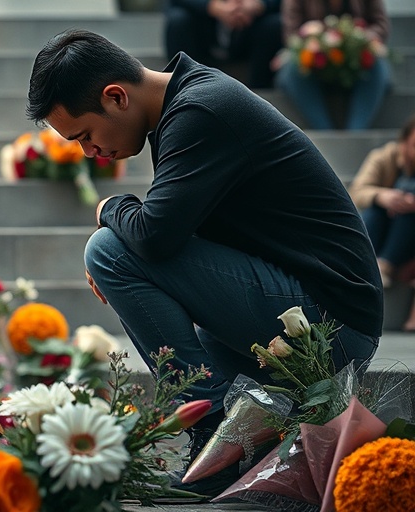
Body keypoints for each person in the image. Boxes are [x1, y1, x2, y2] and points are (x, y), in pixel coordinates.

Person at [27, 29, 382, 490]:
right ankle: (233, 436)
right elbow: (166, 238)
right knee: (121, 255)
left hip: (330, 325)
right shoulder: (189, 101)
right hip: (304, 313)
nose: (89, 153)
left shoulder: (200, 111)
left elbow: (153, 238)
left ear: (115, 97)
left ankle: (215, 435)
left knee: (108, 251)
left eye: (85, 136)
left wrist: (106, 208)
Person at [275, 0, 391, 130]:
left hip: (356, 59)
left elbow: (380, 24)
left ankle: (356, 133)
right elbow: (292, 35)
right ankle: (324, 132)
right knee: (293, 68)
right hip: (313, 62)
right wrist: (316, 39)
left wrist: (360, 37)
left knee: (376, 63)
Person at [348, 114, 415, 329]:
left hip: (408, 241)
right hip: (380, 227)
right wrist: (384, 197)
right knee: (376, 205)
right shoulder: (383, 157)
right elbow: (357, 191)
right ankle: (370, 264)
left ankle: (383, 265)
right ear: (403, 142)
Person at [164, 0, 283, 89]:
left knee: (274, 24)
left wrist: (258, 5)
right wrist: (213, 6)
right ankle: (182, 87)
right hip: (203, 27)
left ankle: (260, 93)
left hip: (251, 28)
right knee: (178, 19)